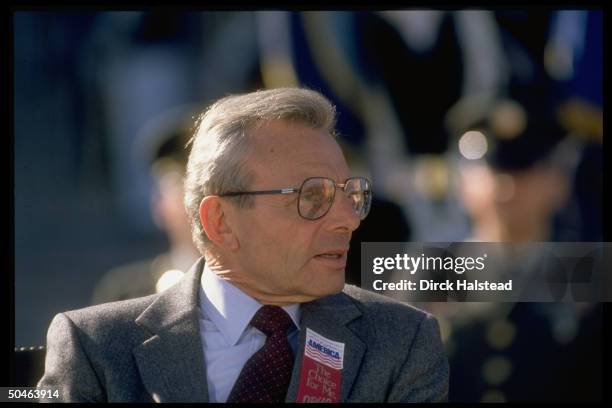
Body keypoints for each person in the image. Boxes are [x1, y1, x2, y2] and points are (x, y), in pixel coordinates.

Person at [37, 88, 449, 402]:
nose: (348, 219)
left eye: (350, 194)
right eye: (312, 196)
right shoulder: (95, 345)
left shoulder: (401, 342)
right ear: (220, 221)